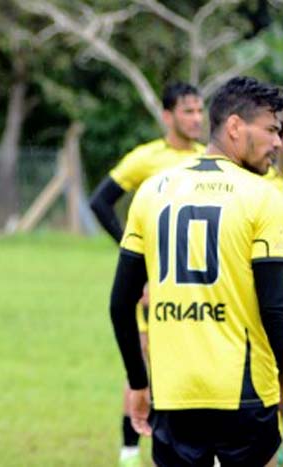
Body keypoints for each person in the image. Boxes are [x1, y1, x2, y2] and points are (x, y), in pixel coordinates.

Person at [110, 76, 283, 466]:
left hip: (173, 397)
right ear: (236, 127)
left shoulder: (152, 191)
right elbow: (276, 308)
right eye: (271, 130)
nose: (277, 143)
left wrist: (139, 383)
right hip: (245, 392)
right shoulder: (263, 197)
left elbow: (121, 304)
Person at [89, 82, 205, 466]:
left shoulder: (210, 158)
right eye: (188, 111)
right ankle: (128, 451)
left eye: (200, 111)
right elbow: (101, 201)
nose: (196, 118)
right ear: (167, 115)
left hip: (195, 284)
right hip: (151, 284)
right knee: (143, 363)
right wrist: (133, 255)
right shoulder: (146, 158)